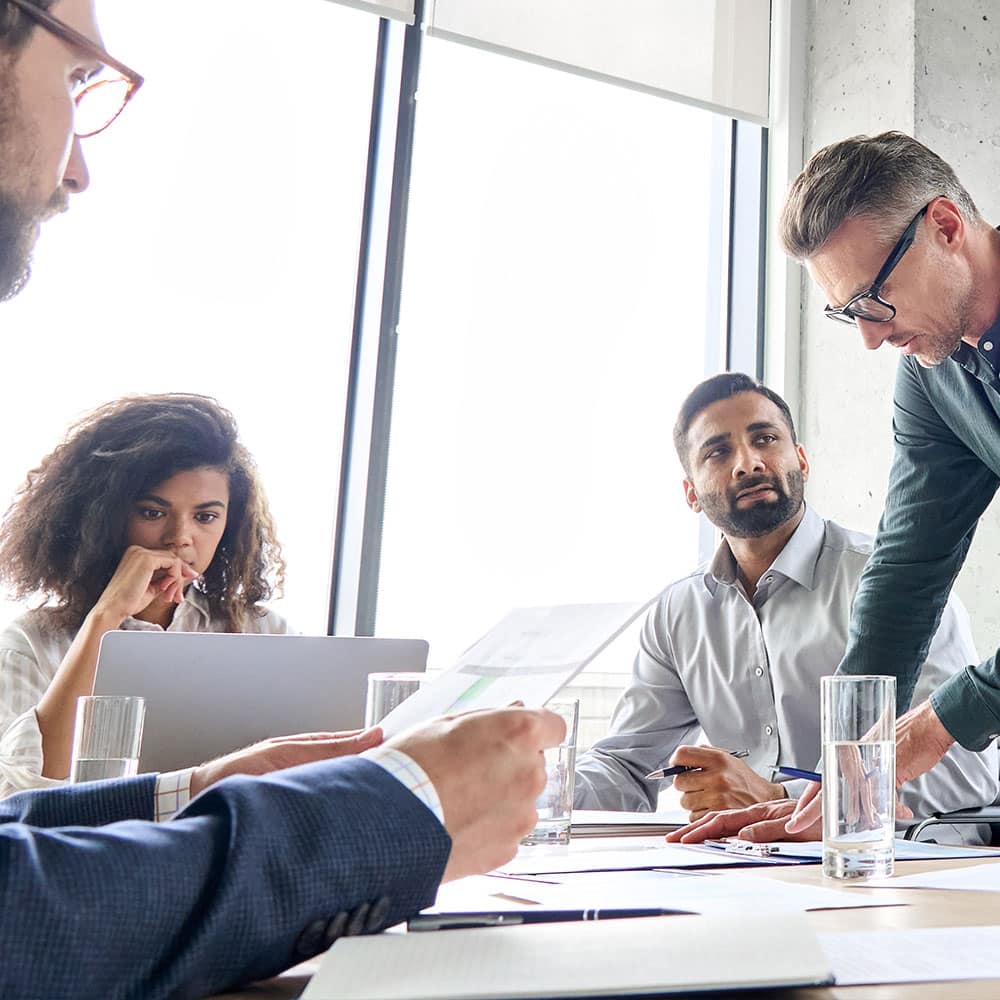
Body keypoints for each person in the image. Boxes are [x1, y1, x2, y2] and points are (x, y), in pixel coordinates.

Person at [0, 2, 565, 997]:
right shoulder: (38, 635)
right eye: (79, 77)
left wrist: (218, 781)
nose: (78, 170)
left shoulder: (250, 624)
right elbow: (24, 907)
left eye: (207, 514)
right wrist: (389, 815)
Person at [673, 130, 1000, 846]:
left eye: (875, 301)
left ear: (945, 227)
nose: (871, 340)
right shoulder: (935, 376)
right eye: (849, 312)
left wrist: (945, 717)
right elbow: (908, 572)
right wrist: (838, 781)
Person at [574, 372, 996, 841]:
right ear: (691, 493)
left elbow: (967, 772)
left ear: (801, 459)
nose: (747, 463)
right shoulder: (678, 614)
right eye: (718, 451)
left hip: (896, 866)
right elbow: (626, 765)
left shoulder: (897, 585)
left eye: (765, 439)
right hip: (747, 866)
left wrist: (781, 800)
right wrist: (531, 787)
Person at [0, 392, 297, 796]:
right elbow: (25, 797)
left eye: (206, 517)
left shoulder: (263, 634)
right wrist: (104, 618)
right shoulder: (30, 645)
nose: (180, 538)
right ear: (103, 517)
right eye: (153, 513)